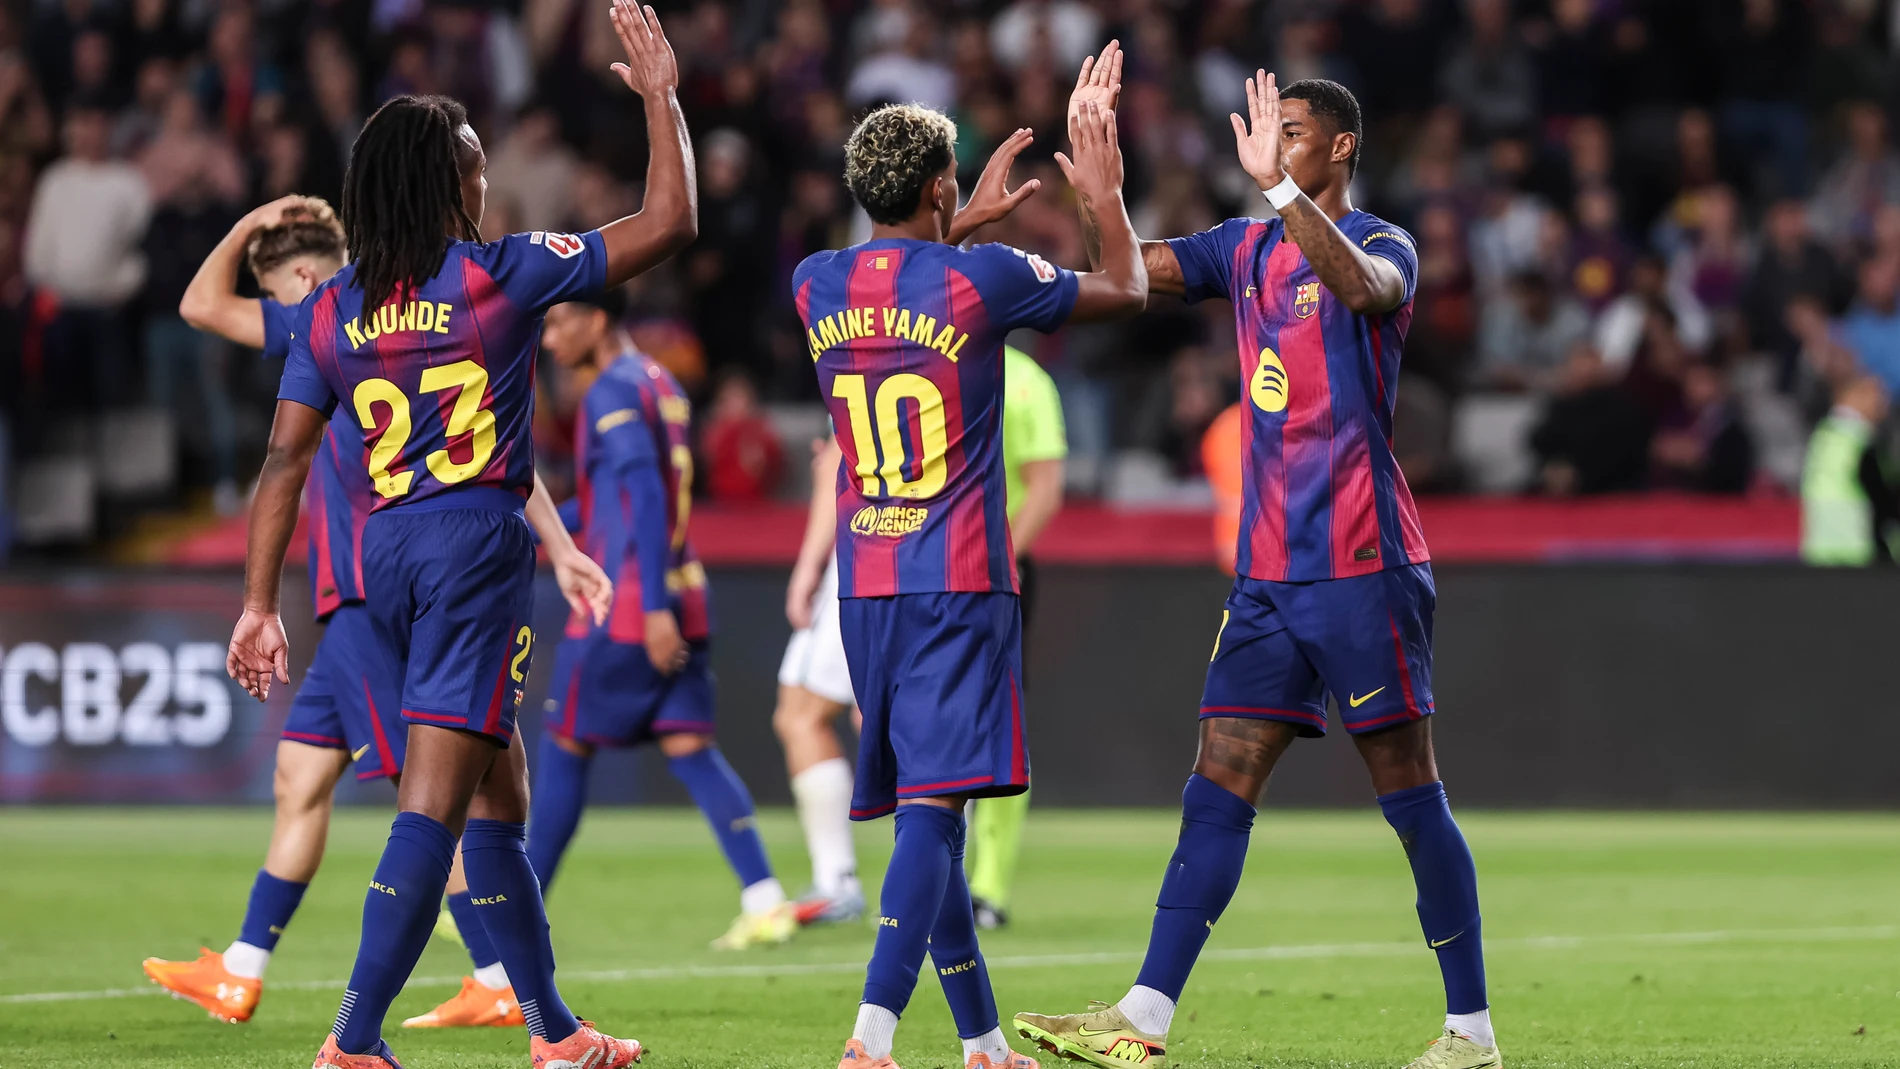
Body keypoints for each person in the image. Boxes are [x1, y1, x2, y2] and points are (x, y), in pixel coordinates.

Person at [223, 4, 694, 1066]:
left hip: (383, 553)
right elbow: (668, 223)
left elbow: (284, 461)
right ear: (447, 183)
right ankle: (352, 1039)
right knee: (433, 811)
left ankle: (554, 1031)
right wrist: (663, 98)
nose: (488, 180)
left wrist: (257, 605)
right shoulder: (500, 273)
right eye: (476, 164)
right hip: (473, 548)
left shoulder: (332, 309)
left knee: (497, 793)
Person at [1013, 56, 1501, 1069]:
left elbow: (1363, 290)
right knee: (1217, 779)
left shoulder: (1383, 244)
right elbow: (1127, 275)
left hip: (1363, 562)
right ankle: (1143, 1017)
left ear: (1341, 148)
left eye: (1292, 134)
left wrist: (1277, 190)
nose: (1272, 148)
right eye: (1269, 134)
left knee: (1409, 791)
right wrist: (1101, 191)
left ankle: (1471, 1033)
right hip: (1268, 577)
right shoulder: (1241, 248)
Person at [795, 67, 1148, 1069]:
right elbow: (1124, 288)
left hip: (867, 582)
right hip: (956, 576)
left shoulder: (813, 281)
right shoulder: (984, 277)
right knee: (935, 809)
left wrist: (951, 226)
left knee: (928, 809)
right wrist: (1103, 194)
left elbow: (898, 286)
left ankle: (984, 1044)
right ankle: (871, 1036)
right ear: (941, 187)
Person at [529, 286, 799, 950]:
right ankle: (765, 899)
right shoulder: (661, 383)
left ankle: (510, 912)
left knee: (564, 745)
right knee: (691, 748)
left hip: (626, 602)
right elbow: (615, 501)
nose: (549, 340)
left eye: (559, 323)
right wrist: (535, 527)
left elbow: (646, 498)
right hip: (685, 590)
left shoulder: (610, 391)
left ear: (597, 320)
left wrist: (650, 609)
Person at [965, 343, 1067, 930]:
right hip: (939, 571)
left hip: (994, 576)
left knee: (995, 725)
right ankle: (942, 877)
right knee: (940, 722)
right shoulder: (1020, 378)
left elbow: (1044, 488)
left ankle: (988, 887)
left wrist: (999, 562)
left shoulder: (1023, 381)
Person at [774, 432, 867, 925]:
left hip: (865, 548)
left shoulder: (857, 375)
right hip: (934, 550)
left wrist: (809, 566)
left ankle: (836, 880)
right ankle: (944, 879)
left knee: (801, 714)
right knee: (900, 718)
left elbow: (835, 462)